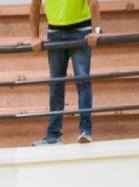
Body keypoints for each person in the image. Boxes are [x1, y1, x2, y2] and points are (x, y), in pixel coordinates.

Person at [30, 0, 101, 145]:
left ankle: (85, 131)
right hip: (55, 32)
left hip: (81, 30)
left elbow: (93, 2)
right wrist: (34, 36)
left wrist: (96, 31)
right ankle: (53, 136)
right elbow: (35, 4)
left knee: (82, 81)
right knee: (56, 84)